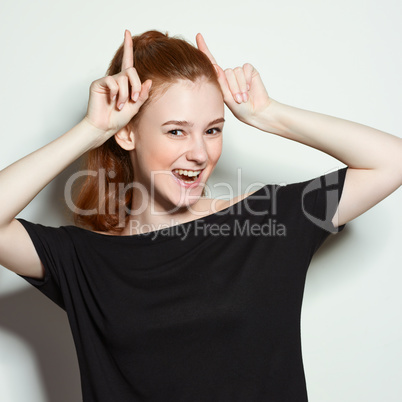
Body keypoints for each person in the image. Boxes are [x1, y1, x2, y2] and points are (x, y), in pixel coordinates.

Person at [0, 28, 400, 401]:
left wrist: (268, 115)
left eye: (212, 130)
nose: (200, 153)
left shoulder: (265, 221)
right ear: (126, 133)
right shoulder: (81, 259)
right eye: (176, 131)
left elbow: (390, 162)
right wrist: (90, 128)